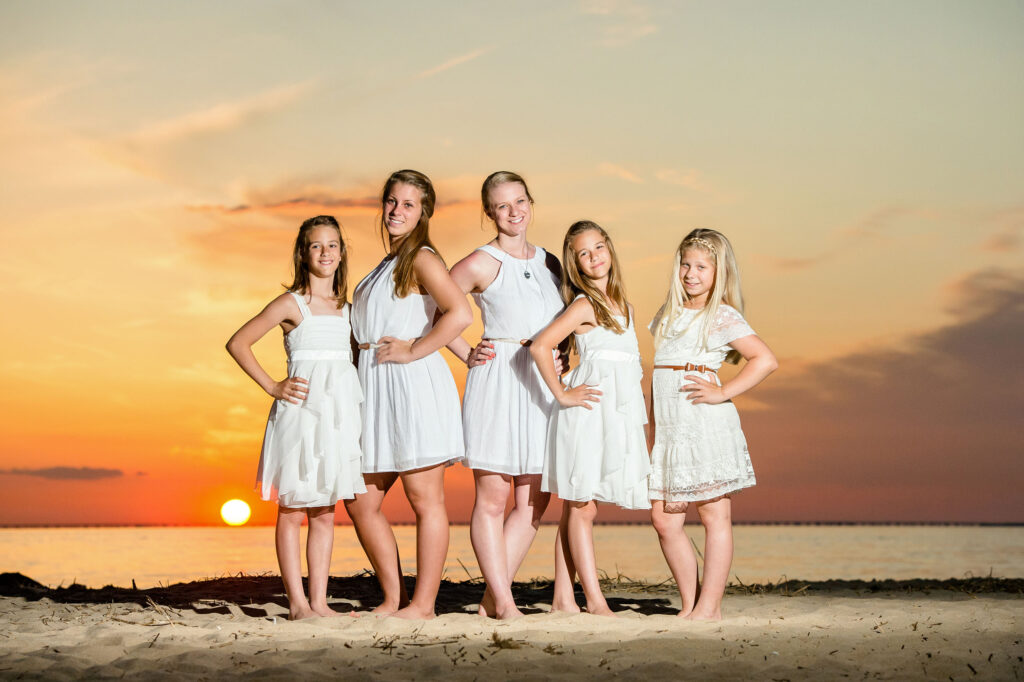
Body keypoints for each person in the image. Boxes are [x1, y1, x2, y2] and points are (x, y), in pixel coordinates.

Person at [347, 169, 472, 620]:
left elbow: (460, 312)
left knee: (425, 500)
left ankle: (423, 605)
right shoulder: (387, 262)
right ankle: (393, 598)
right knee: (361, 501)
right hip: (372, 388)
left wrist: (415, 349)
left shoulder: (421, 257)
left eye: (408, 204)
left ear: (424, 213)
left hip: (412, 385)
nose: (397, 211)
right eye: (391, 202)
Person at [226, 215, 364, 620]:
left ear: (342, 252)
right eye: (316, 245)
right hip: (299, 415)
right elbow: (238, 342)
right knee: (291, 509)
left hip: (336, 419)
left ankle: (319, 602)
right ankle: (298, 604)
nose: (326, 252)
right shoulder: (291, 304)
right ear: (303, 253)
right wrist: (272, 385)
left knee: (325, 510)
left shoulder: (348, 310)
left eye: (333, 245)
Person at [446, 172, 565, 619]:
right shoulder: (480, 261)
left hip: (542, 383)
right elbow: (433, 307)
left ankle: (490, 601)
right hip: (498, 379)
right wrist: (464, 350)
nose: (514, 212)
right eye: (502, 205)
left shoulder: (552, 261)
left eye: (520, 201)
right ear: (489, 213)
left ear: (531, 203)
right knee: (493, 498)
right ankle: (507, 604)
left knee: (534, 500)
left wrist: (565, 356)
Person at [648, 228, 777, 620]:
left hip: (705, 425)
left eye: (702, 266)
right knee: (664, 518)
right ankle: (690, 604)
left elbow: (765, 360)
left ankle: (710, 607)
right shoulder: (667, 313)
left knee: (712, 514)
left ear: (718, 271)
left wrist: (722, 392)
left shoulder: (721, 314)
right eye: (686, 264)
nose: (691, 273)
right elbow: (658, 378)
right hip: (671, 431)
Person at [530, 220, 650, 616]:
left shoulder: (627, 309)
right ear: (577, 264)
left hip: (611, 419)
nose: (595, 256)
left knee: (579, 506)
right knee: (582, 506)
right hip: (585, 413)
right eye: (584, 253)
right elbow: (540, 346)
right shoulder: (584, 305)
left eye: (599, 247)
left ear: (610, 250)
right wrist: (561, 392)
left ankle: (563, 599)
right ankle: (595, 601)